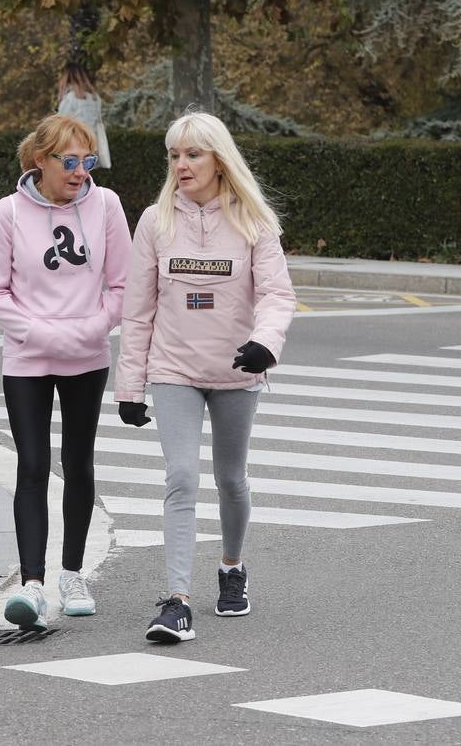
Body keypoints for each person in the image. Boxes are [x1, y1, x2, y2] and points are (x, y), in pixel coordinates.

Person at [114, 111, 296, 644]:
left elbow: (277, 295)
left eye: (193, 154)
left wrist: (266, 345)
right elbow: (138, 309)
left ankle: (232, 568)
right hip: (174, 371)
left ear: (220, 159)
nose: (181, 164)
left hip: (237, 370)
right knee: (181, 478)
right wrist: (130, 387)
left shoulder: (252, 221)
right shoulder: (154, 220)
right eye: (173, 155)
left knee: (230, 479)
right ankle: (177, 600)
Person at [0, 114, 130, 630]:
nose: (80, 172)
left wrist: (92, 329)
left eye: (88, 162)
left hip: (88, 354)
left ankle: (72, 573)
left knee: (79, 463)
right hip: (28, 359)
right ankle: (32, 584)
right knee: (32, 465)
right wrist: (44, 334)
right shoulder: (8, 212)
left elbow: (123, 285)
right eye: (69, 162)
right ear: (39, 161)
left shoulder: (106, 205)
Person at [57, 63, 111, 169]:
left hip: (72, 148)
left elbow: (60, 127)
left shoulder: (70, 99)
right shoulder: (95, 99)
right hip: (91, 148)